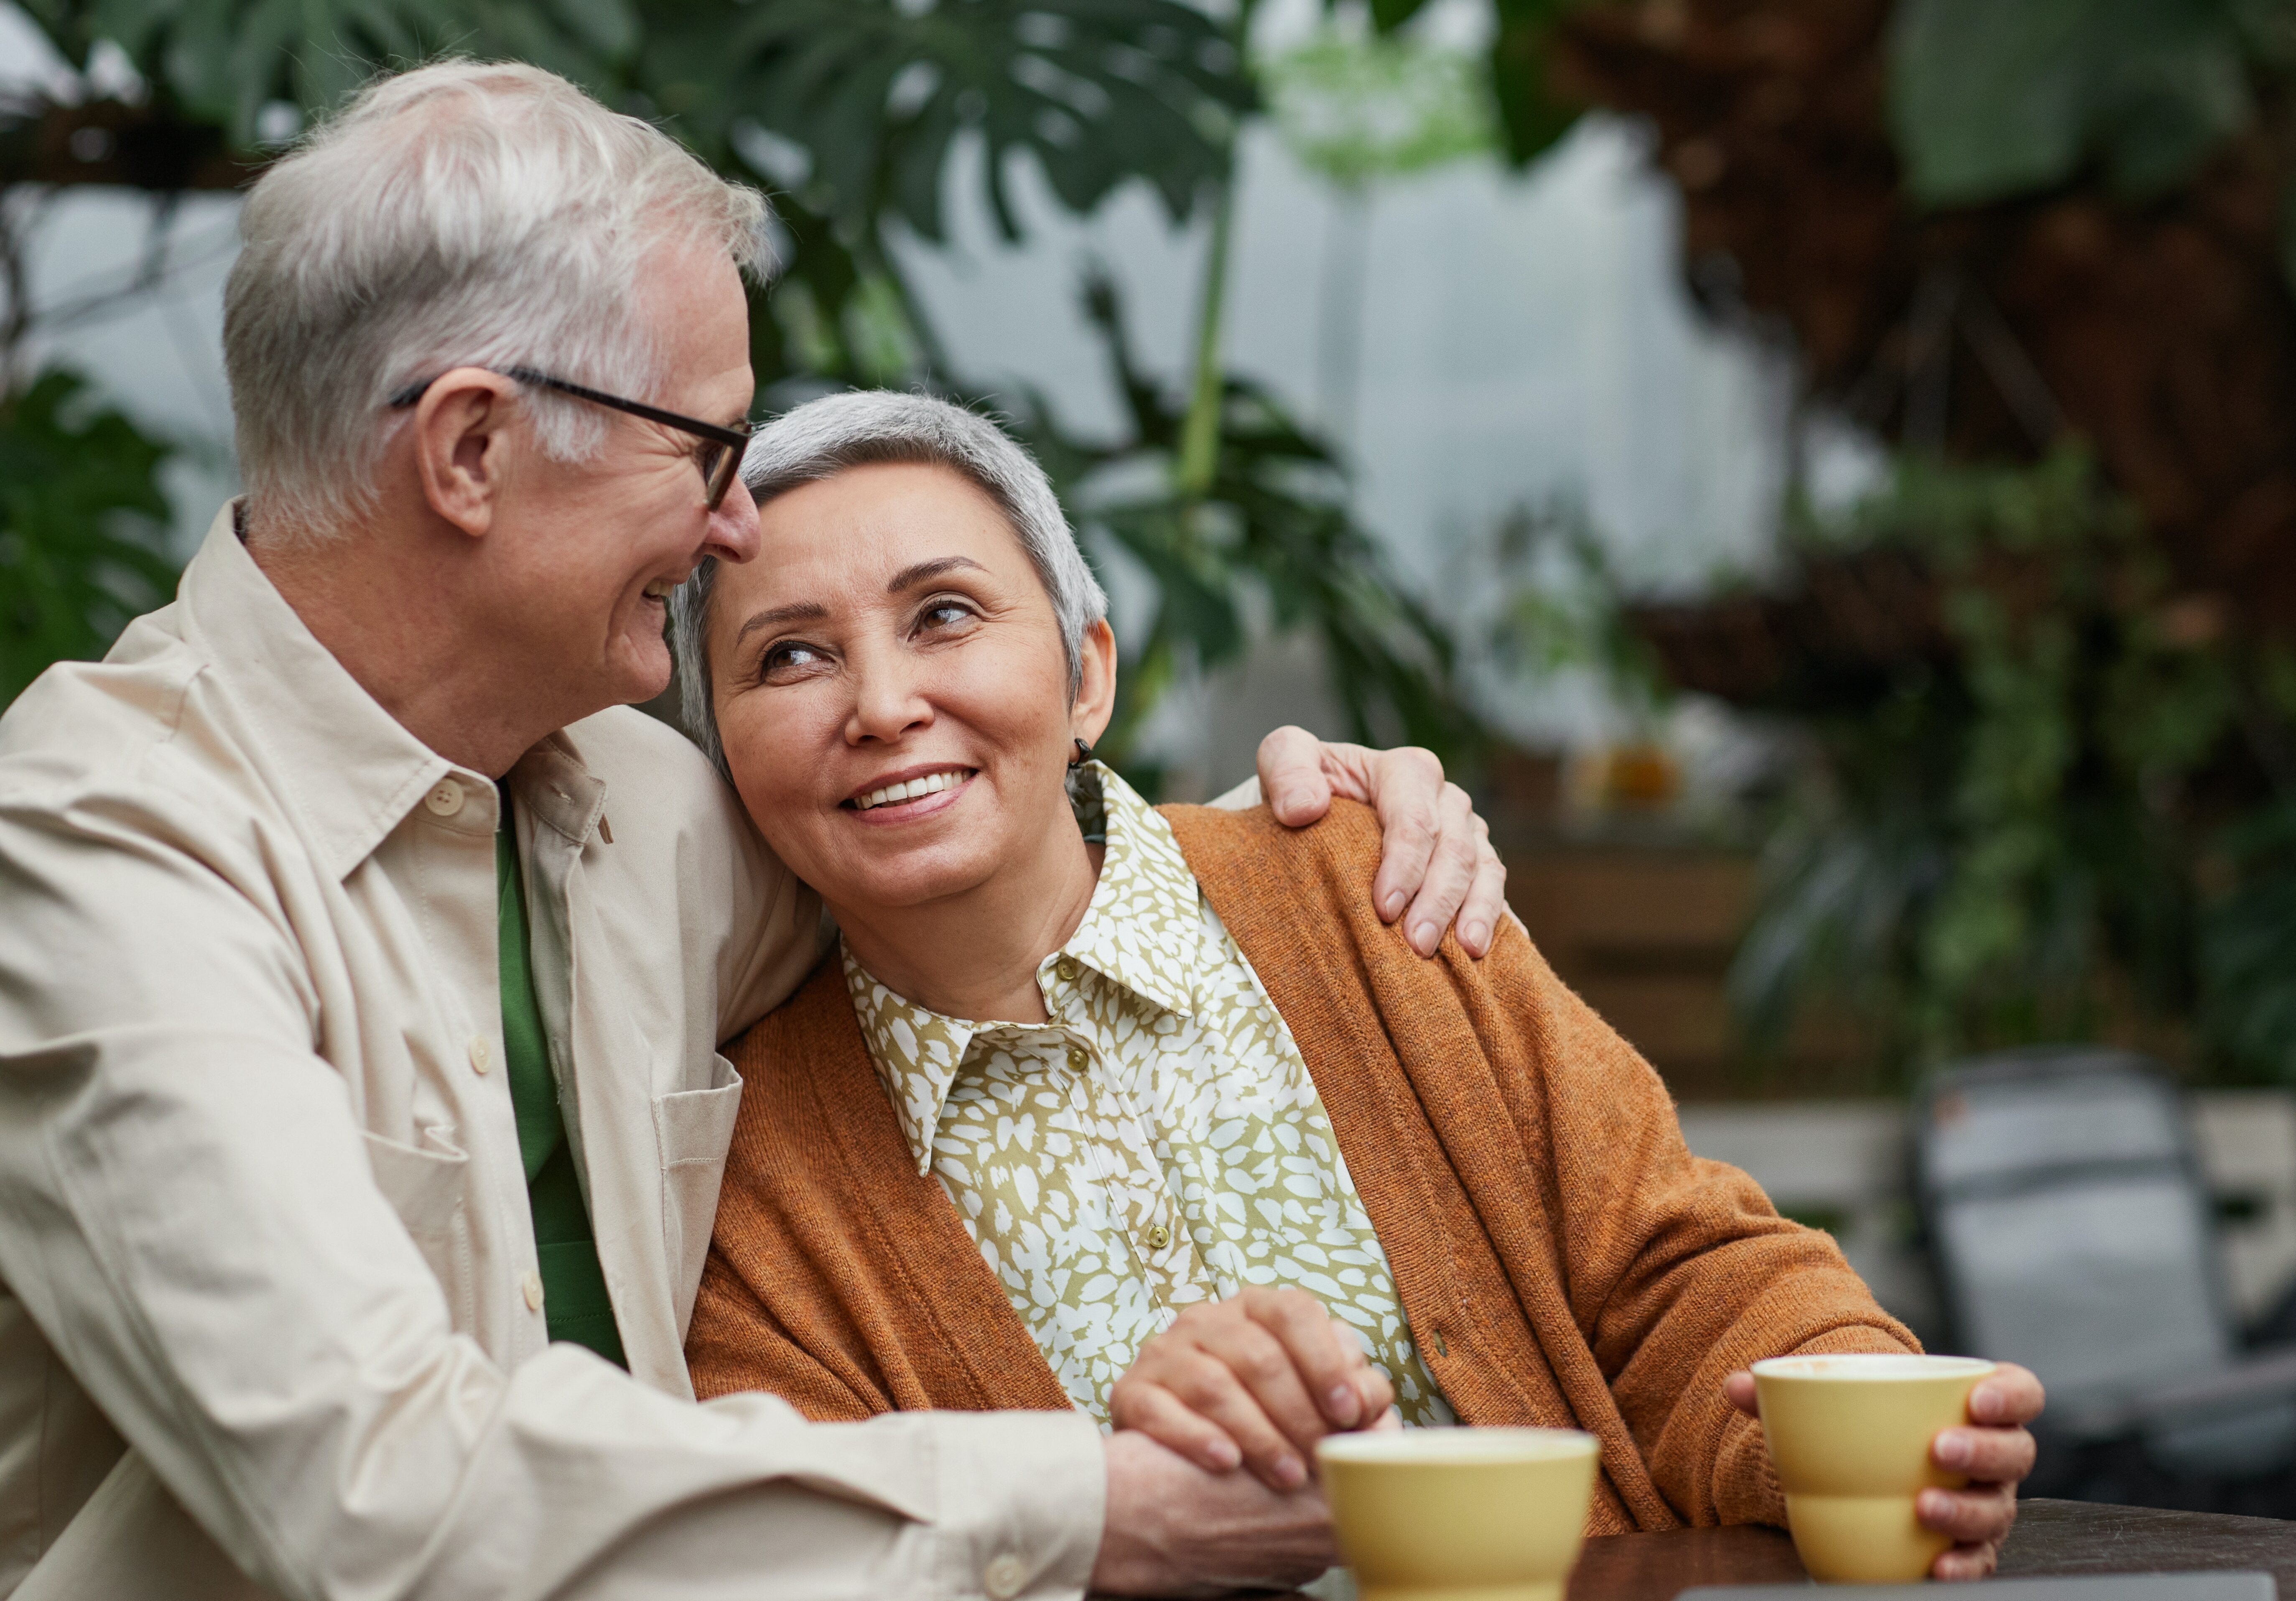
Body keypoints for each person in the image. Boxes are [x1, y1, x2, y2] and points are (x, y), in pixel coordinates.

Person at [0, 61, 1511, 1601]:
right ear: (470, 451)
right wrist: (1084, 1508)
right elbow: (367, 1490)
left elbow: (973, 865)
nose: (736, 524)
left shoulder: (639, 806)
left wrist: (1298, 846)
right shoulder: (91, 848)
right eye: (705, 447)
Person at [673, 390, 2049, 1581]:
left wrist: (1837, 1425)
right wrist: (1107, 1497)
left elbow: (1668, 1266)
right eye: (788, 655)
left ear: (1088, 673)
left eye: (946, 615)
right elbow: (829, 1554)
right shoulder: (749, 1179)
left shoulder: (1367, 882)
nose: (881, 703)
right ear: (720, 748)